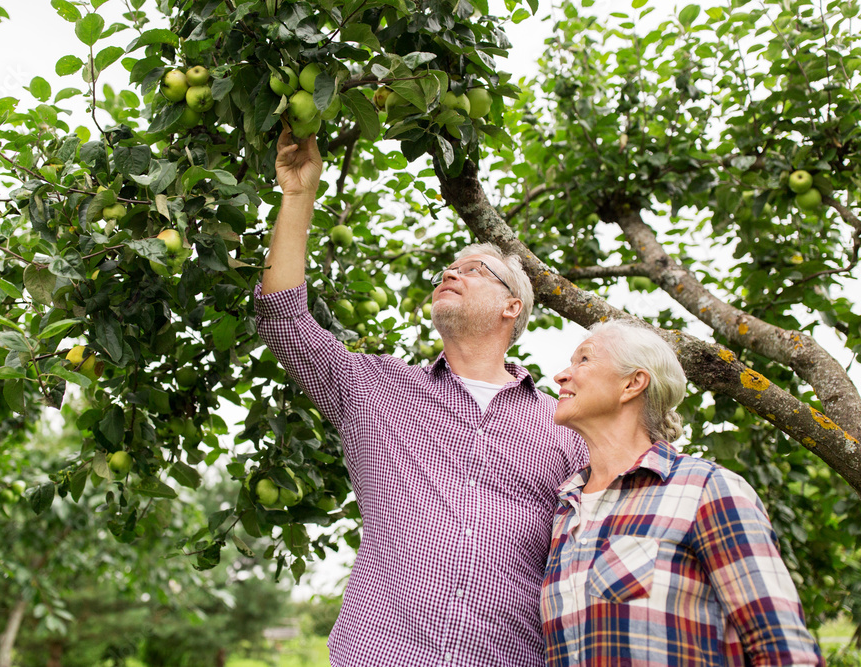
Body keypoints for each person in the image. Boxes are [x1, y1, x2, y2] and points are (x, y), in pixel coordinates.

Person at [255, 127, 587, 666]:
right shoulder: (375, 391)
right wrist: (298, 196)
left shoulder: (566, 423)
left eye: (473, 270)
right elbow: (283, 318)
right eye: (447, 267)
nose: (451, 271)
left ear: (512, 309)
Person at [542, 320, 823, 666]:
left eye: (583, 360)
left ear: (633, 383)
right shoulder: (565, 510)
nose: (561, 375)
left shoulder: (705, 490)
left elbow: (785, 651)